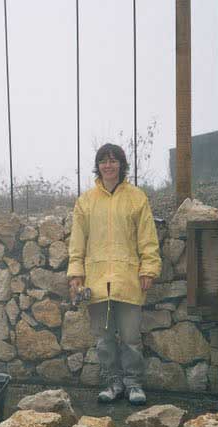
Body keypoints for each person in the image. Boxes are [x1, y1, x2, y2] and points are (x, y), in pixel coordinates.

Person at [67, 143, 161, 405]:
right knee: (104, 340)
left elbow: (147, 238)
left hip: (128, 279)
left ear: (122, 165)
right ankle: (113, 383)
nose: (108, 166)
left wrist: (149, 269)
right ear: (97, 166)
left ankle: (133, 385)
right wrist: (76, 273)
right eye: (103, 161)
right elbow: (77, 242)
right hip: (96, 281)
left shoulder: (136, 197)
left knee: (131, 338)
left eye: (113, 161)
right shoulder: (85, 201)